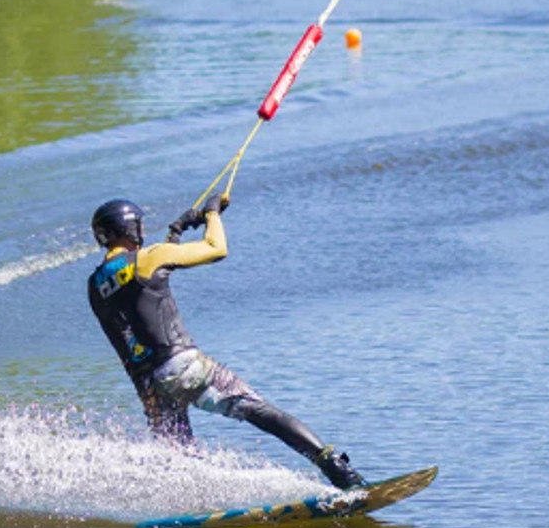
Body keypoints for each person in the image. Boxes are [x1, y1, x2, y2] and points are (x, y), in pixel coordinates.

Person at [87, 196, 367, 490]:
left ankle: (197, 506)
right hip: (184, 368)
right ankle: (335, 468)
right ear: (131, 229)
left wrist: (179, 230)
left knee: (182, 458)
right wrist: (212, 214)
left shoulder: (94, 286)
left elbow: (141, 296)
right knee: (258, 411)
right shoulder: (149, 257)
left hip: (150, 388)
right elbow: (215, 248)